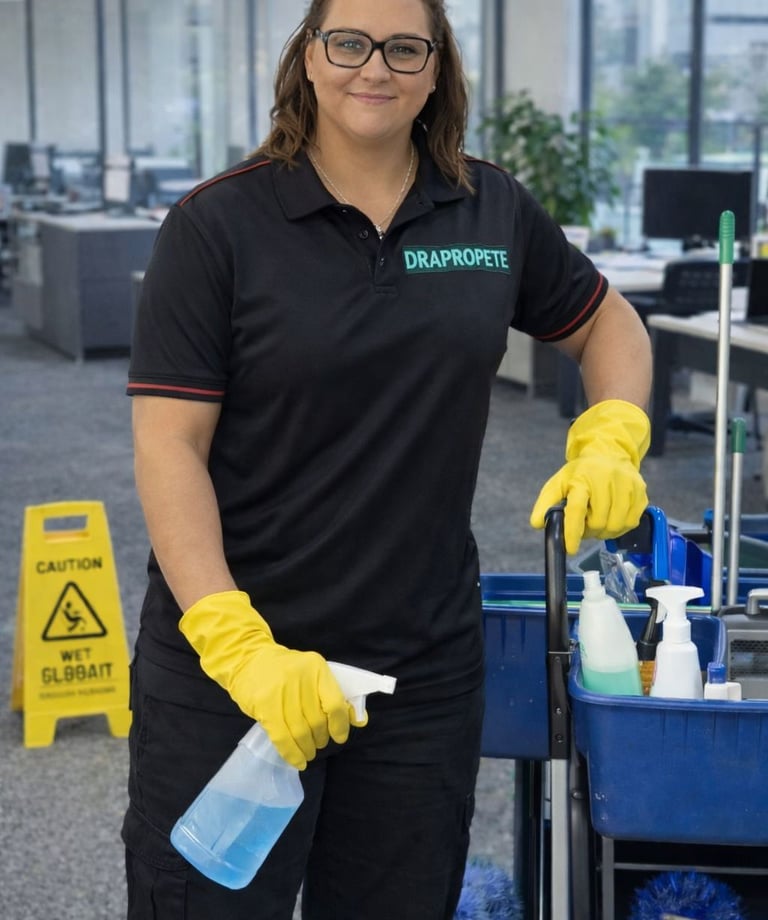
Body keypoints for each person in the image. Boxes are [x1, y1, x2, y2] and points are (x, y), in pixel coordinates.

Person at [123, 0, 652, 917]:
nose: (376, 67)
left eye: (406, 47)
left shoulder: (489, 208)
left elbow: (608, 322)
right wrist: (235, 644)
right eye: (350, 42)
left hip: (419, 672)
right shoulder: (218, 224)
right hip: (235, 670)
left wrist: (614, 434)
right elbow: (170, 445)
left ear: (438, 67)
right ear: (309, 56)